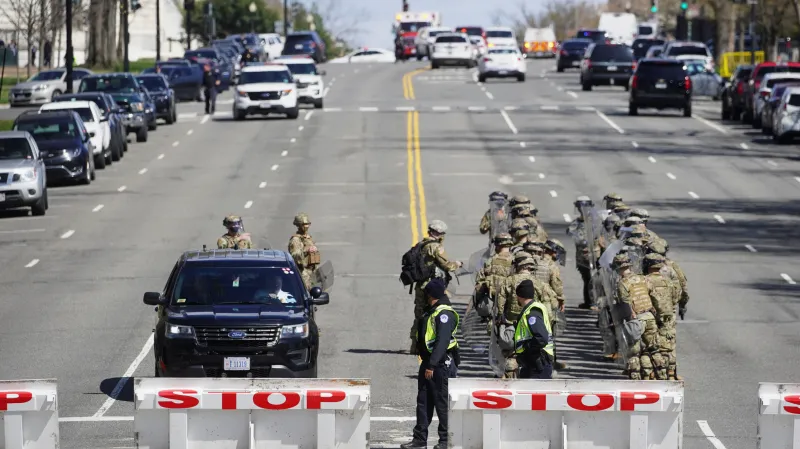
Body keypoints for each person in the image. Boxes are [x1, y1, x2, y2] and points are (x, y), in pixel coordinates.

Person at [401, 278, 459, 449]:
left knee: (441, 403)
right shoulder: (432, 312)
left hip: (439, 364)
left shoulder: (444, 314)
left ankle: (445, 441)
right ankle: (420, 440)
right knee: (423, 402)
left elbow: (442, 341)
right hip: (429, 362)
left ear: (431, 295)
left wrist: (432, 364)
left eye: (426, 294)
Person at [408, 220, 462, 354]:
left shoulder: (421, 244)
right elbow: (447, 265)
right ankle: (432, 344)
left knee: (419, 314)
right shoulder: (436, 247)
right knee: (437, 313)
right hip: (432, 287)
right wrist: (457, 264)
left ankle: (415, 345)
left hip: (420, 285)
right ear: (440, 234)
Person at [615, 254, 659, 380]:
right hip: (649, 317)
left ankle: (635, 379)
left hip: (636, 320)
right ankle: (659, 375)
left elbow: (625, 305)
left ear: (618, 268)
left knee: (633, 352)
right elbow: (653, 295)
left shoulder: (622, 283)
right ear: (629, 266)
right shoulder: (643, 278)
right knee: (653, 350)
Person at [513, 279, 554, 379]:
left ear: (520, 296)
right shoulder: (532, 308)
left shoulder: (532, 313)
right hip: (533, 363)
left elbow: (541, 338)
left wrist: (527, 347)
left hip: (537, 364)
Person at [644, 253, 674, 380]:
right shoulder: (668, 281)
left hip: (651, 317)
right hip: (667, 317)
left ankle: (650, 375)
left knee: (650, 347)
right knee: (665, 348)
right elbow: (675, 297)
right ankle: (666, 374)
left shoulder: (645, 281)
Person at [288, 213, 320, 291]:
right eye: (304, 224)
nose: (306, 226)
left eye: (308, 224)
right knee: (306, 292)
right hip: (303, 272)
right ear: (299, 225)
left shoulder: (307, 237)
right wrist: (306, 250)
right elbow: (294, 255)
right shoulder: (296, 239)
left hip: (311, 271)